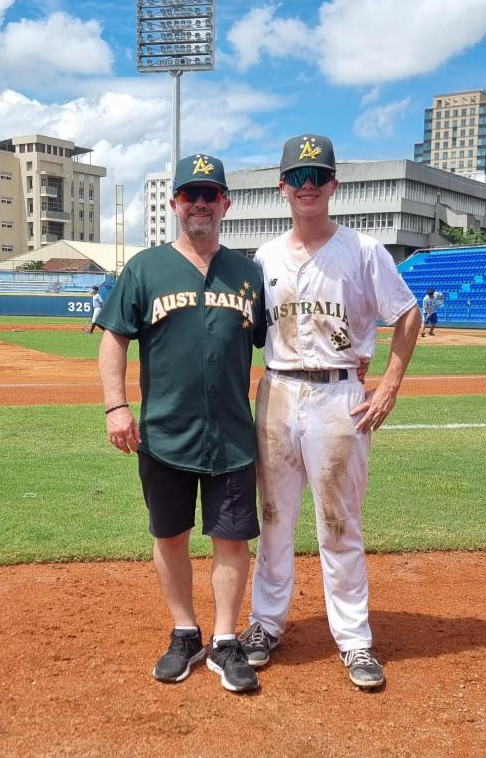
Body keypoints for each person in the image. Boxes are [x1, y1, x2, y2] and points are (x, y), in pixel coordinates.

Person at [239, 134, 420, 689]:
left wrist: (388, 386)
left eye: (318, 177)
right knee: (273, 519)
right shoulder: (265, 257)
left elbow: (407, 314)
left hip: (340, 395)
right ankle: (265, 625)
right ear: (282, 187)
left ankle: (355, 640)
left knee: (339, 525)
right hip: (278, 391)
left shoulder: (364, 250)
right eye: (298, 177)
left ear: (334, 185)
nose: (308, 187)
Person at [96, 153, 266, 693]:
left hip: (233, 436)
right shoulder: (145, 267)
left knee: (232, 541)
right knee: (170, 535)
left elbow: (278, 342)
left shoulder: (249, 272)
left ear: (225, 205)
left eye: (210, 194)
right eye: (190, 194)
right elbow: (113, 338)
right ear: (174, 204)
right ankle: (184, 630)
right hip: (165, 433)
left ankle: (223, 640)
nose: (199, 203)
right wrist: (115, 405)